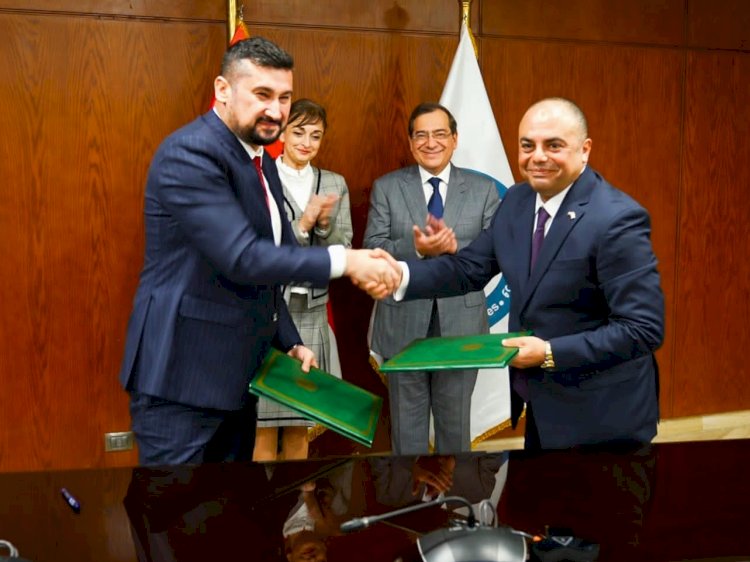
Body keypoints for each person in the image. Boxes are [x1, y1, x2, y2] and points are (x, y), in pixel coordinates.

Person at [119, 37, 399, 465]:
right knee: (174, 505)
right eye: (262, 94)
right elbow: (243, 257)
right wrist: (347, 261)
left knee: (233, 503)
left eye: (284, 97)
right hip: (182, 379)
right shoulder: (191, 153)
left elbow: (273, 260)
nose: (275, 110)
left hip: (239, 377)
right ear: (223, 89)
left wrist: (288, 340)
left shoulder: (260, 159)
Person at [378, 97, 664, 450]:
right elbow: (470, 268)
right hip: (541, 403)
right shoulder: (517, 200)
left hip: (603, 415)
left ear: (585, 149)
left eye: (553, 145)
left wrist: (548, 352)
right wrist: (400, 276)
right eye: (527, 145)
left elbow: (642, 329)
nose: (537, 156)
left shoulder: (616, 218)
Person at [363, 102, 500, 454]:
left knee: (455, 432)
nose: (431, 142)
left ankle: (456, 493)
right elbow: (372, 249)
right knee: (407, 435)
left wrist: (455, 249)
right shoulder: (387, 187)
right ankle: (411, 493)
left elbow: (497, 251)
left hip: (461, 325)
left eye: (440, 134)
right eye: (421, 135)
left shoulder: (484, 189)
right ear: (411, 143)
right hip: (402, 322)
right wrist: (417, 248)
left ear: (454, 139)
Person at [254, 99, 353, 461]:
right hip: (269, 313)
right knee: (263, 427)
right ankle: (261, 498)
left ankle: (296, 499)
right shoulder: (261, 179)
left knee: (299, 423)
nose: (306, 142)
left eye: (316, 135)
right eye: (298, 132)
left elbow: (344, 249)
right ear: (282, 133)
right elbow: (259, 251)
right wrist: (303, 224)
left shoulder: (333, 183)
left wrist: (323, 225)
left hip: (312, 312)